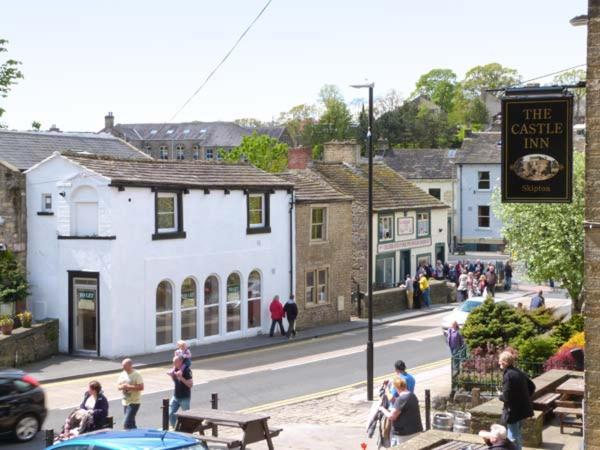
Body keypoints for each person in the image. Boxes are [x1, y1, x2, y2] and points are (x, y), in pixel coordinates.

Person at [499, 351, 535, 450]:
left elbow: (506, 397)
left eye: (500, 360)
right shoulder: (518, 372)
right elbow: (532, 387)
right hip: (521, 409)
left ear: (504, 362)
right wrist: (523, 398)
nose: (499, 362)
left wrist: (500, 396)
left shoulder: (508, 376)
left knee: (513, 437)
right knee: (517, 434)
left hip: (513, 411)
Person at [377, 377, 423, 446]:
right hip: (416, 430)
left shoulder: (401, 399)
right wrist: (387, 388)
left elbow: (392, 417)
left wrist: (382, 409)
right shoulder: (412, 396)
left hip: (404, 434)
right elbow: (399, 404)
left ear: (396, 388)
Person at [117, 358, 144, 429]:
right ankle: (136, 436)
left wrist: (129, 387)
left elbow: (141, 387)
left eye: (124, 366)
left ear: (130, 366)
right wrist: (122, 386)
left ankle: (128, 436)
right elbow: (118, 386)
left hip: (134, 402)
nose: (123, 368)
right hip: (125, 401)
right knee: (131, 423)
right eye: (122, 366)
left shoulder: (137, 374)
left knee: (126, 423)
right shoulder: (122, 374)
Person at [168, 355, 193, 428]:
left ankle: (188, 430)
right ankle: (176, 429)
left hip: (184, 397)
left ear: (181, 362)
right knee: (171, 414)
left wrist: (181, 377)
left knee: (186, 416)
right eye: (173, 362)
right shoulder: (175, 369)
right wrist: (172, 376)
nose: (174, 364)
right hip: (176, 396)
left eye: (175, 362)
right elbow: (176, 382)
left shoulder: (186, 370)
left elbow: (190, 385)